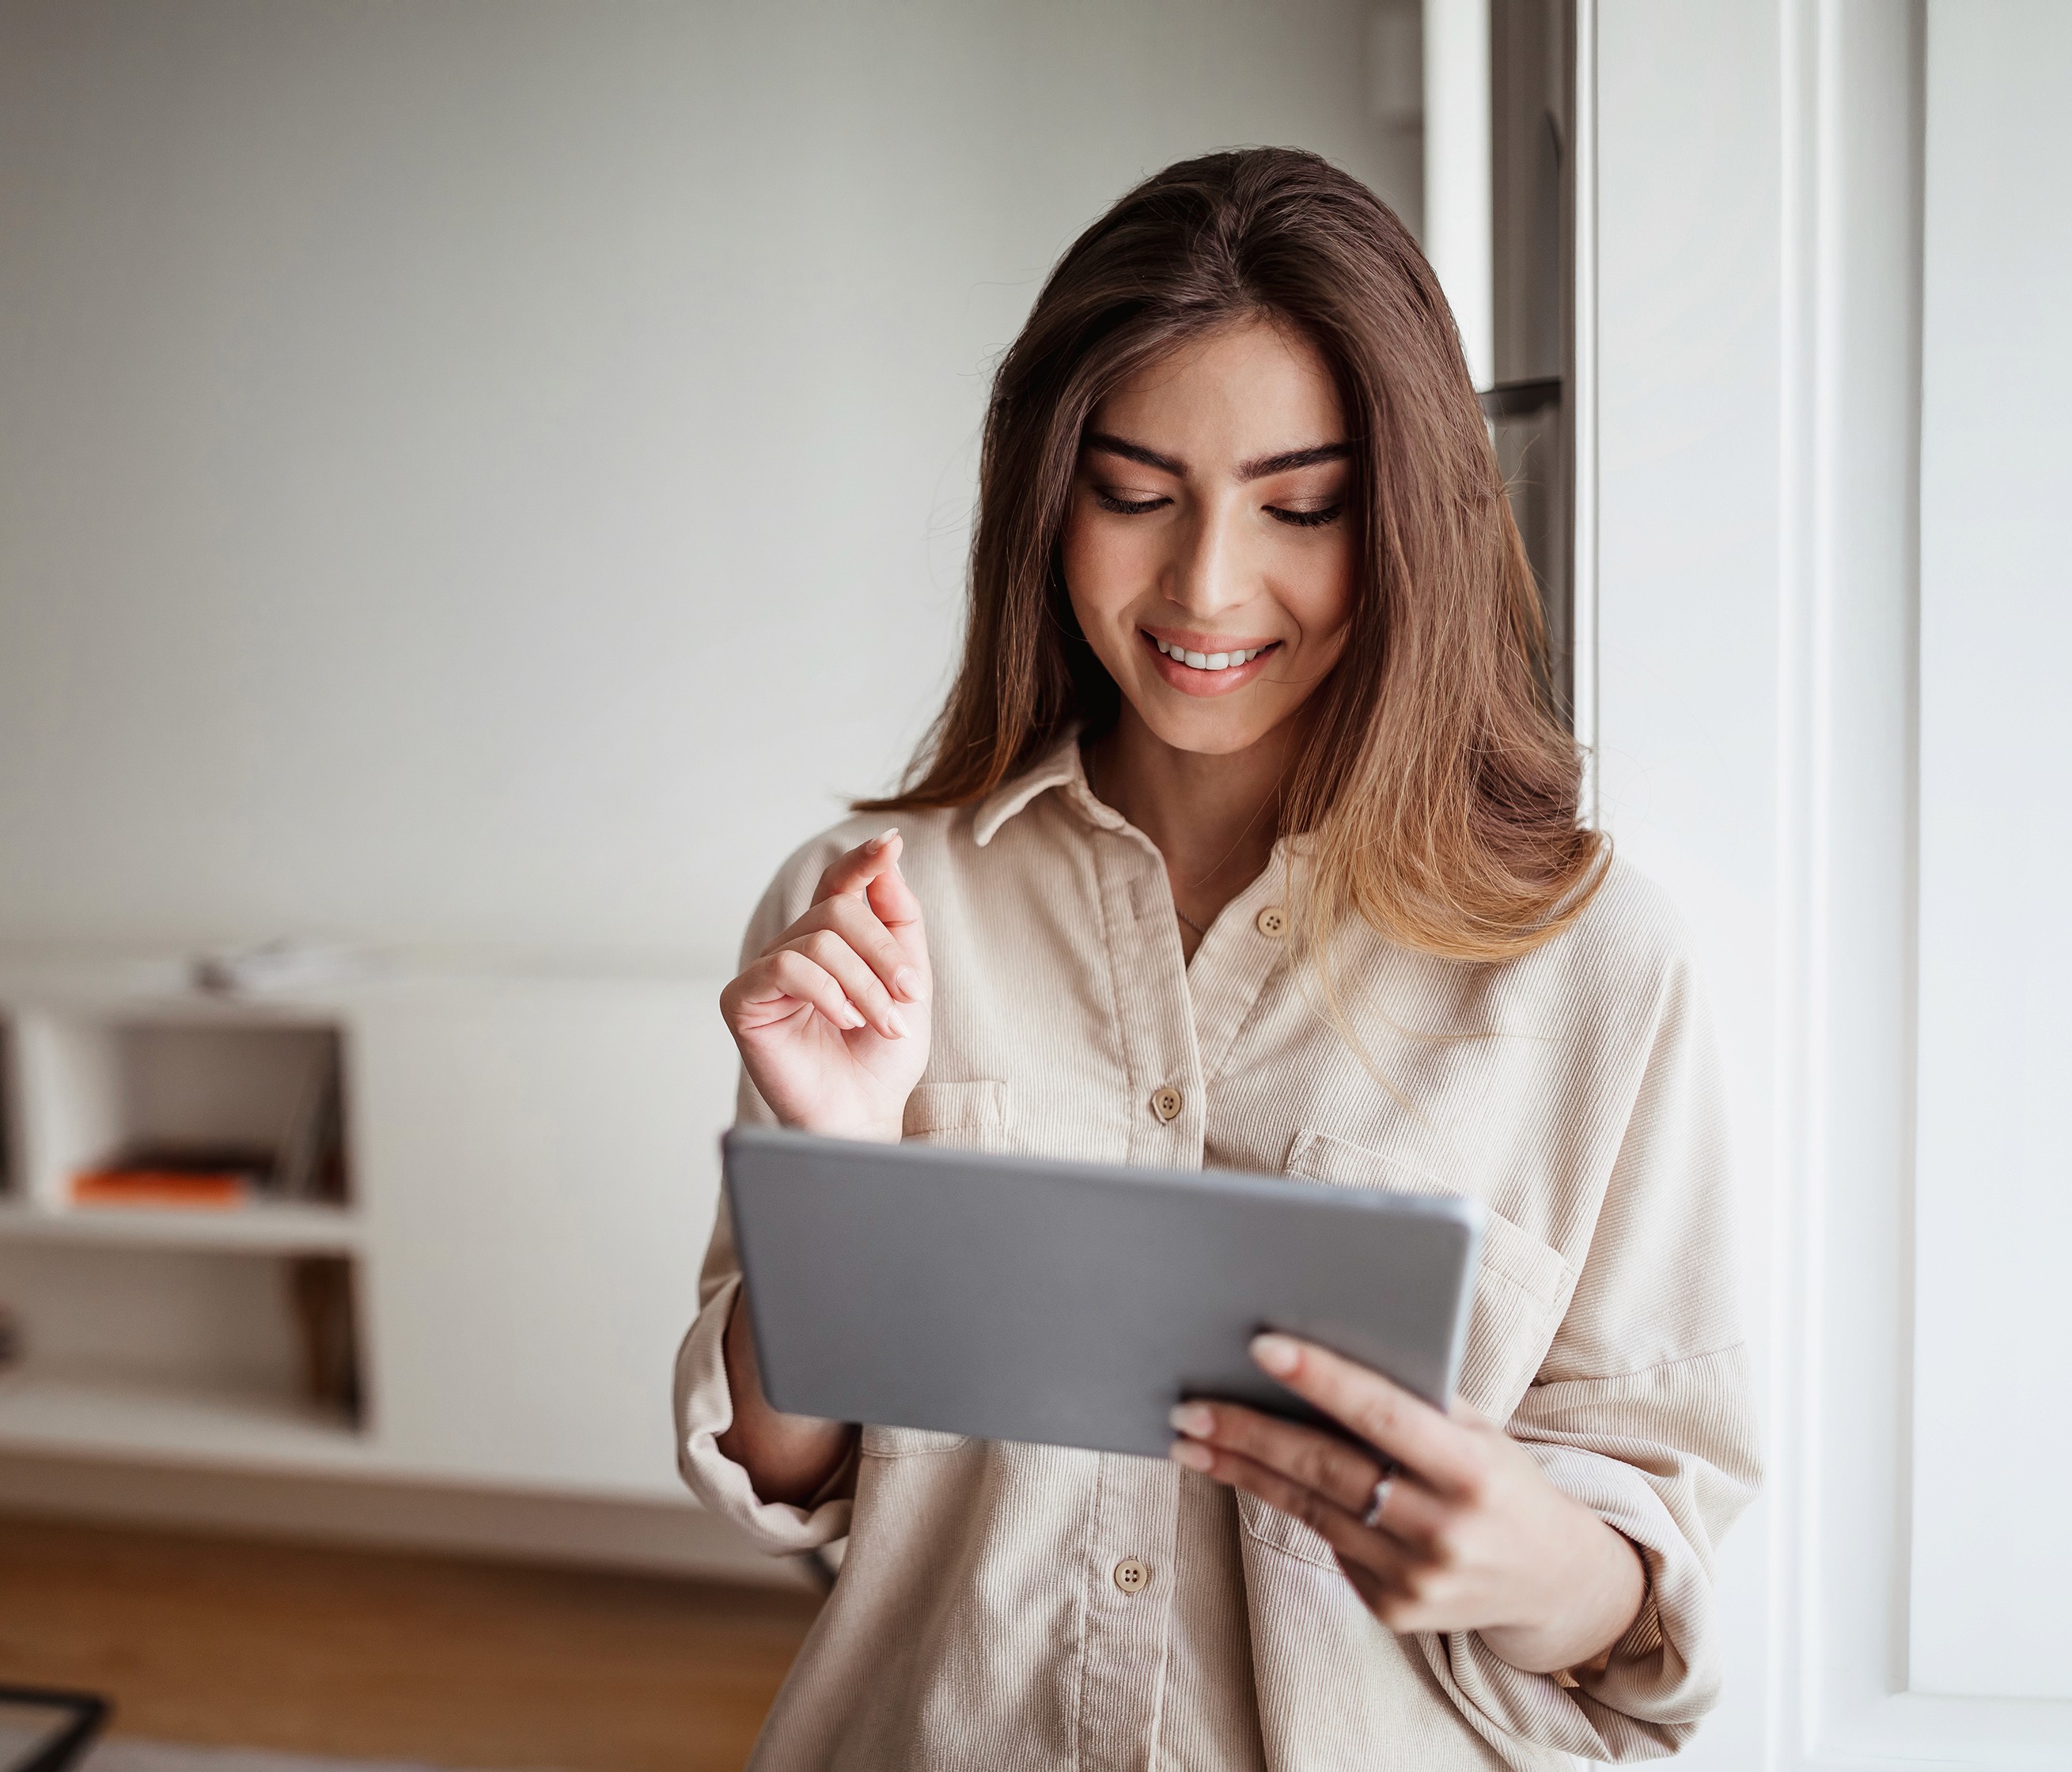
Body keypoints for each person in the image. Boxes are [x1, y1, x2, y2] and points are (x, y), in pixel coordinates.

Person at [674, 147, 1759, 1770]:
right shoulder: (869, 905)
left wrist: (1524, 1554)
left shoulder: (1596, 966)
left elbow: (1643, 1571)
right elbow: (788, 1476)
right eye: (1133, 492)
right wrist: (829, 1178)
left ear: (1403, 520)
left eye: (1299, 505)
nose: (1203, 585)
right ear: (1046, 493)